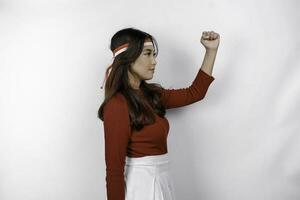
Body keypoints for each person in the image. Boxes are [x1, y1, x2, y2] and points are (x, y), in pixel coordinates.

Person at [98, 27, 220, 200]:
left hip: (163, 180)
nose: (154, 61)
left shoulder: (153, 95)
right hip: (142, 187)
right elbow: (114, 171)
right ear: (128, 57)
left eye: (154, 55)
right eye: (147, 54)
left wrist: (211, 51)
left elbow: (195, 92)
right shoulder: (117, 105)